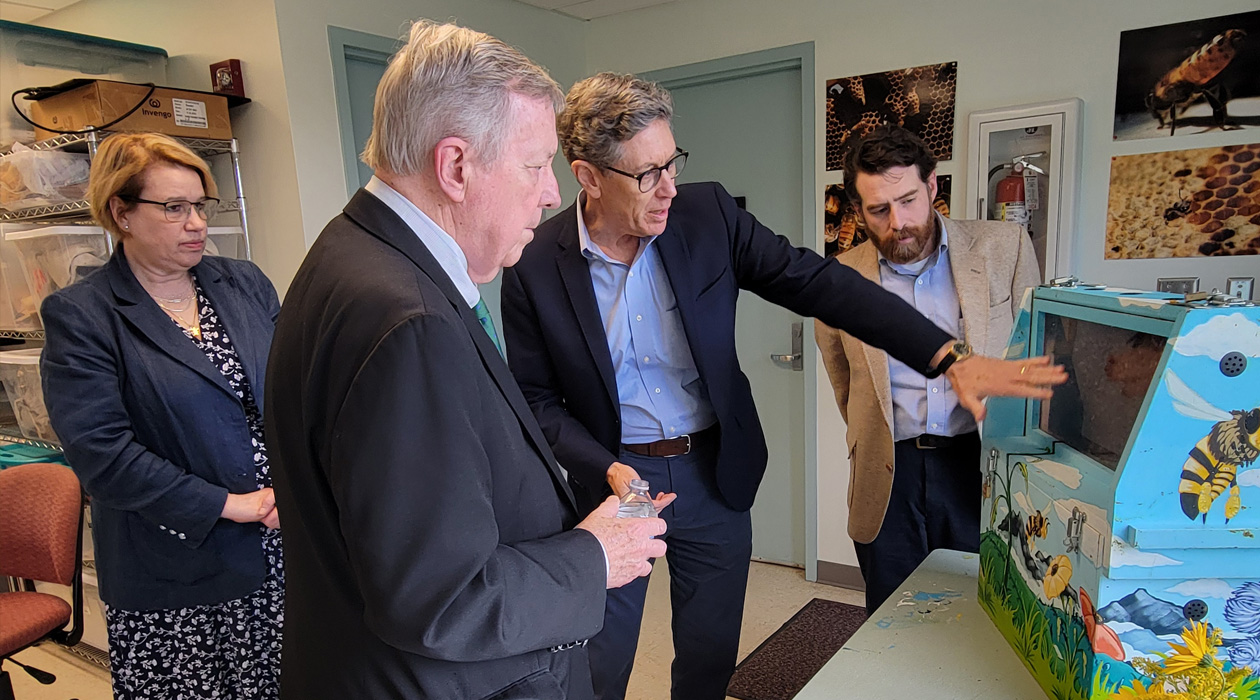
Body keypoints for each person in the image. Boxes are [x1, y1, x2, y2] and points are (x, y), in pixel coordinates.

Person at [501, 73, 1065, 700]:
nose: (669, 189)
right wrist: (603, 466)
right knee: (596, 660)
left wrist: (946, 355)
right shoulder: (533, 263)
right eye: (646, 175)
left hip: (712, 473)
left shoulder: (706, 214)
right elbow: (535, 399)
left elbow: (818, 282)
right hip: (612, 478)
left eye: (672, 163)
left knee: (710, 657)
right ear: (587, 176)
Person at [264, 22, 666, 700]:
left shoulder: (352, 254)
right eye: (536, 165)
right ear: (455, 167)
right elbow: (443, 599)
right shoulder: (404, 321)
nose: (549, 194)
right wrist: (596, 555)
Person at [40, 132, 283, 699]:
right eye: (174, 208)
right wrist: (229, 505)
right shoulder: (84, 315)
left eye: (200, 205)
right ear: (121, 212)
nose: (196, 222)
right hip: (175, 567)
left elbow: (292, 390)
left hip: (276, 548)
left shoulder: (243, 284)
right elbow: (102, 454)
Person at [815, 125, 1042, 614]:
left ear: (933, 186)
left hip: (979, 463)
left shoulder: (1006, 248)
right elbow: (846, 385)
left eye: (909, 200)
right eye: (879, 209)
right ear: (857, 209)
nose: (899, 222)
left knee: (983, 616)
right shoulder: (835, 280)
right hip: (888, 472)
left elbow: (1032, 352)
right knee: (892, 618)